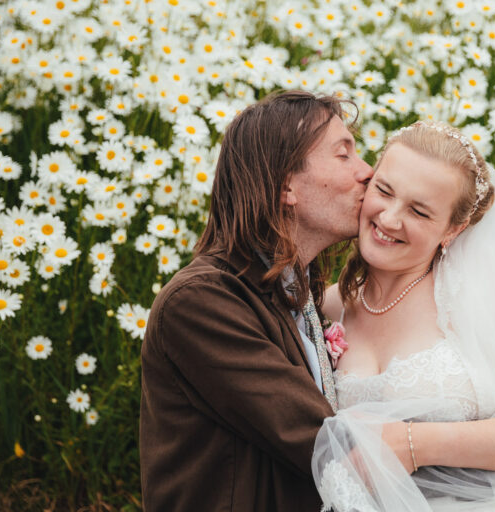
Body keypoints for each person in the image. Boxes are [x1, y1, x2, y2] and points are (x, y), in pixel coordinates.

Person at [312, 121, 495, 511]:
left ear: (454, 229)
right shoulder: (330, 307)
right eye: (384, 190)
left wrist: (414, 444)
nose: (390, 219)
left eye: (419, 211)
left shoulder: (488, 290)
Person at [139, 90, 374, 511]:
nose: (368, 172)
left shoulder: (297, 293)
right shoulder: (201, 302)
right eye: (344, 155)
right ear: (286, 184)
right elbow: (326, 443)